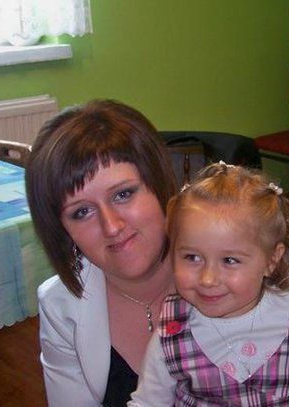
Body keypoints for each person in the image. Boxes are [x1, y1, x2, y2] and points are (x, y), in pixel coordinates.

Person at [129, 162, 289, 406]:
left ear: (271, 260)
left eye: (229, 260)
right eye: (192, 257)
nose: (208, 279)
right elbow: (147, 403)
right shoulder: (173, 333)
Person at [25, 100, 179, 406]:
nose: (112, 226)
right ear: (63, 230)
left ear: (159, 183)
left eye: (123, 194)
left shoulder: (236, 269)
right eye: (82, 212)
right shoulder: (60, 307)